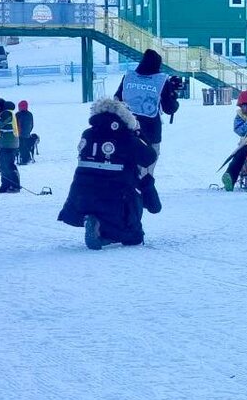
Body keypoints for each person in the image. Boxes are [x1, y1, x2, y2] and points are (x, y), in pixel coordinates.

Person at [57, 98, 158, 249]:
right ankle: (104, 234)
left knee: (105, 206)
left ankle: (97, 224)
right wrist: (138, 133)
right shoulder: (125, 137)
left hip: (81, 197)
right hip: (116, 196)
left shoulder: (87, 134)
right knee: (133, 237)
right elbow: (149, 157)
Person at [114, 48, 181, 213]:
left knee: (123, 168)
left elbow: (116, 99)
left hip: (125, 132)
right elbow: (169, 108)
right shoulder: (161, 80)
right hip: (150, 135)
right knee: (145, 174)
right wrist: (174, 96)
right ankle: (144, 204)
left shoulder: (128, 77)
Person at [0, 98, 20, 193]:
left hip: (9, 144)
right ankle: (6, 185)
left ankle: (15, 186)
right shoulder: (6, 113)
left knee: (8, 166)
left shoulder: (6, 113)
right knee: (3, 166)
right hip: (6, 143)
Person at [16, 100, 34, 165]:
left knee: (22, 147)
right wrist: (29, 131)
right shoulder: (30, 114)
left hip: (20, 133)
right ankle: (26, 158)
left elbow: (15, 124)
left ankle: (25, 159)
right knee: (25, 146)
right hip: (27, 133)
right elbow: (32, 124)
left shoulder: (18, 114)